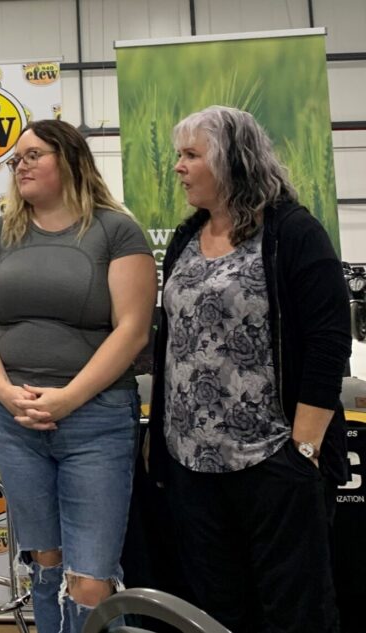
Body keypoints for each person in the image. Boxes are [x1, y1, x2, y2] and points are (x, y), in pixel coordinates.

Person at [147, 105, 349, 632]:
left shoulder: (294, 234)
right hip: (192, 464)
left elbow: (329, 345)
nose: (179, 167)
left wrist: (303, 450)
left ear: (232, 160)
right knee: (214, 611)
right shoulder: (186, 239)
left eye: (191, 155)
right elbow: (172, 340)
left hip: (273, 460)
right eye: (179, 155)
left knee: (293, 609)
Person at [0, 119, 157, 633]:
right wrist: (4, 392)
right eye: (15, 159)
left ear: (70, 159)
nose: (19, 165)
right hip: (16, 420)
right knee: (44, 565)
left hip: (96, 419)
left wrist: (68, 398)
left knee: (90, 579)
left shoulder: (117, 231)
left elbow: (133, 329)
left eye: (33, 154)